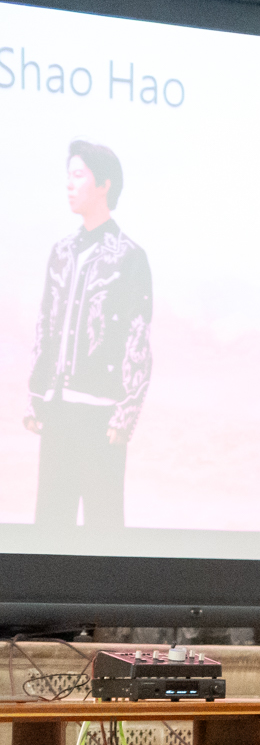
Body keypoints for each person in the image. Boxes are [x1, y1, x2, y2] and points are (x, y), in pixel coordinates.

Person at [26, 141, 149, 530]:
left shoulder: (129, 257)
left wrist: (125, 415)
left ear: (104, 185)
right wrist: (36, 396)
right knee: (50, 527)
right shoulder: (61, 252)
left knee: (104, 528)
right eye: (68, 175)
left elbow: (137, 340)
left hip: (101, 418)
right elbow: (45, 326)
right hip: (58, 410)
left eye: (78, 175)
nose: (69, 184)